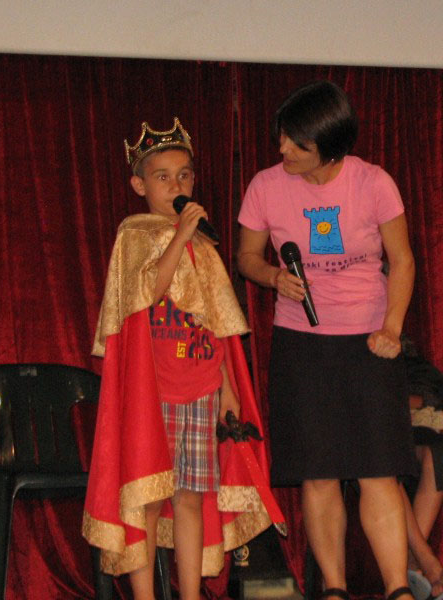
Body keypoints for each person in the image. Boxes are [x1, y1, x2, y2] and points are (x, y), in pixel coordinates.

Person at [82, 118, 281, 600]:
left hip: (201, 387)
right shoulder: (134, 234)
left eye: (184, 175)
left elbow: (219, 326)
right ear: (139, 185)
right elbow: (146, 293)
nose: (176, 185)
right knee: (149, 497)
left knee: (192, 497)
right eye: (163, 177)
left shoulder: (204, 245)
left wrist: (228, 389)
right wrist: (178, 236)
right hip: (153, 391)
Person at [237, 80, 417, 600]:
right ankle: (334, 589)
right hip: (302, 343)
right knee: (318, 474)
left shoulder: (373, 182)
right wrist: (273, 277)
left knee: (377, 471)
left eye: (297, 142)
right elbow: (247, 258)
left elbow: (402, 261)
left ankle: (398, 589)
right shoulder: (265, 186)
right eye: (282, 137)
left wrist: (392, 329)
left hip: (369, 340)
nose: (283, 149)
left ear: (330, 146)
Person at [399, 336, 443, 600]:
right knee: (382, 465)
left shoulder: (417, 366)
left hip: (417, 434)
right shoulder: (353, 363)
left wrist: (389, 398)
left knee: (441, 454)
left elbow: (427, 399)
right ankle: (424, 560)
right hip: (374, 442)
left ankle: (411, 561)